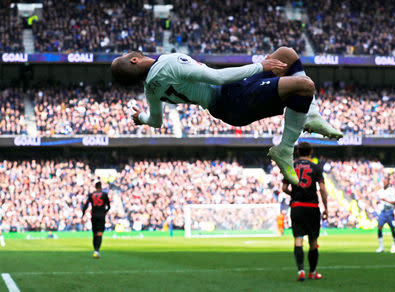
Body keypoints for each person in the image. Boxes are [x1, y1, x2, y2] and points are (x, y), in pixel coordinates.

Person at [111, 47, 343, 185]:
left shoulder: (150, 89)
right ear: (134, 60)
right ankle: (285, 148)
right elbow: (218, 77)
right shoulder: (169, 63)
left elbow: (156, 121)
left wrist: (140, 117)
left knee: (287, 54)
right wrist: (259, 66)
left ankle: (311, 115)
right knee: (304, 85)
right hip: (231, 99)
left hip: (229, 97)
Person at [282, 142, 328, 281]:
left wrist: (294, 194)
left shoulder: (291, 166)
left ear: (297, 152)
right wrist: (326, 208)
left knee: (298, 239)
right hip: (312, 207)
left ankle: (300, 270)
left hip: (297, 206)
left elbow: (284, 188)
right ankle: (313, 272)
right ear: (311, 151)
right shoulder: (316, 167)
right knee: (313, 241)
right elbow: (322, 189)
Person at [82, 181, 111, 259]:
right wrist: (104, 212)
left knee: (94, 234)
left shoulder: (91, 195)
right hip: (101, 216)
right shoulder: (104, 195)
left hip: (94, 216)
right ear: (101, 187)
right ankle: (97, 251)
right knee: (100, 233)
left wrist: (83, 216)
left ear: (95, 187)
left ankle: (95, 250)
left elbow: (85, 205)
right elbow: (108, 206)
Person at [375, 175, 395, 253]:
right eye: (383, 182)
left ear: (388, 182)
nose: (384, 183)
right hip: (382, 212)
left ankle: (394, 244)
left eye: (385, 182)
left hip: (389, 211)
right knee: (379, 227)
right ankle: (381, 246)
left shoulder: (391, 191)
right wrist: (378, 202)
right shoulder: (380, 191)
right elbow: (379, 200)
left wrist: (386, 200)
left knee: (392, 228)